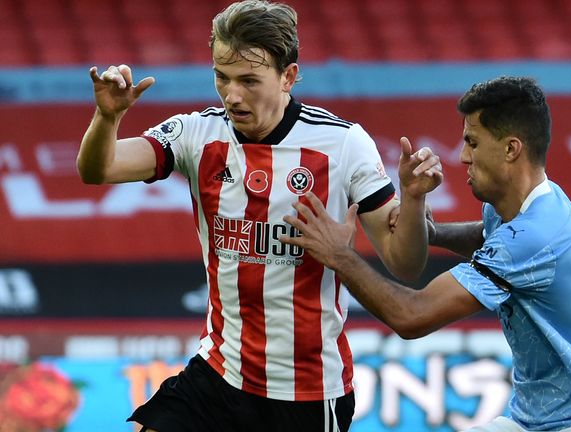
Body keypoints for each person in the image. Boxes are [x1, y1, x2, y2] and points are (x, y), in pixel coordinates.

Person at [76, 1, 442, 431]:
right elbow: (97, 169)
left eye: (249, 80)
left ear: (288, 76)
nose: (232, 95)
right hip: (218, 373)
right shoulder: (197, 133)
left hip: (305, 392)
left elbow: (406, 262)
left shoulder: (342, 145)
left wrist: (414, 202)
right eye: (221, 77)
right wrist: (108, 116)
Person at [281, 76, 571, 432]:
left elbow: (412, 316)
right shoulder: (528, 204)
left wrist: (339, 256)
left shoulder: (535, 237)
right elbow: (487, 236)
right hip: (536, 419)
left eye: (472, 142)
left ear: (511, 149)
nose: (461, 156)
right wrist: (433, 232)